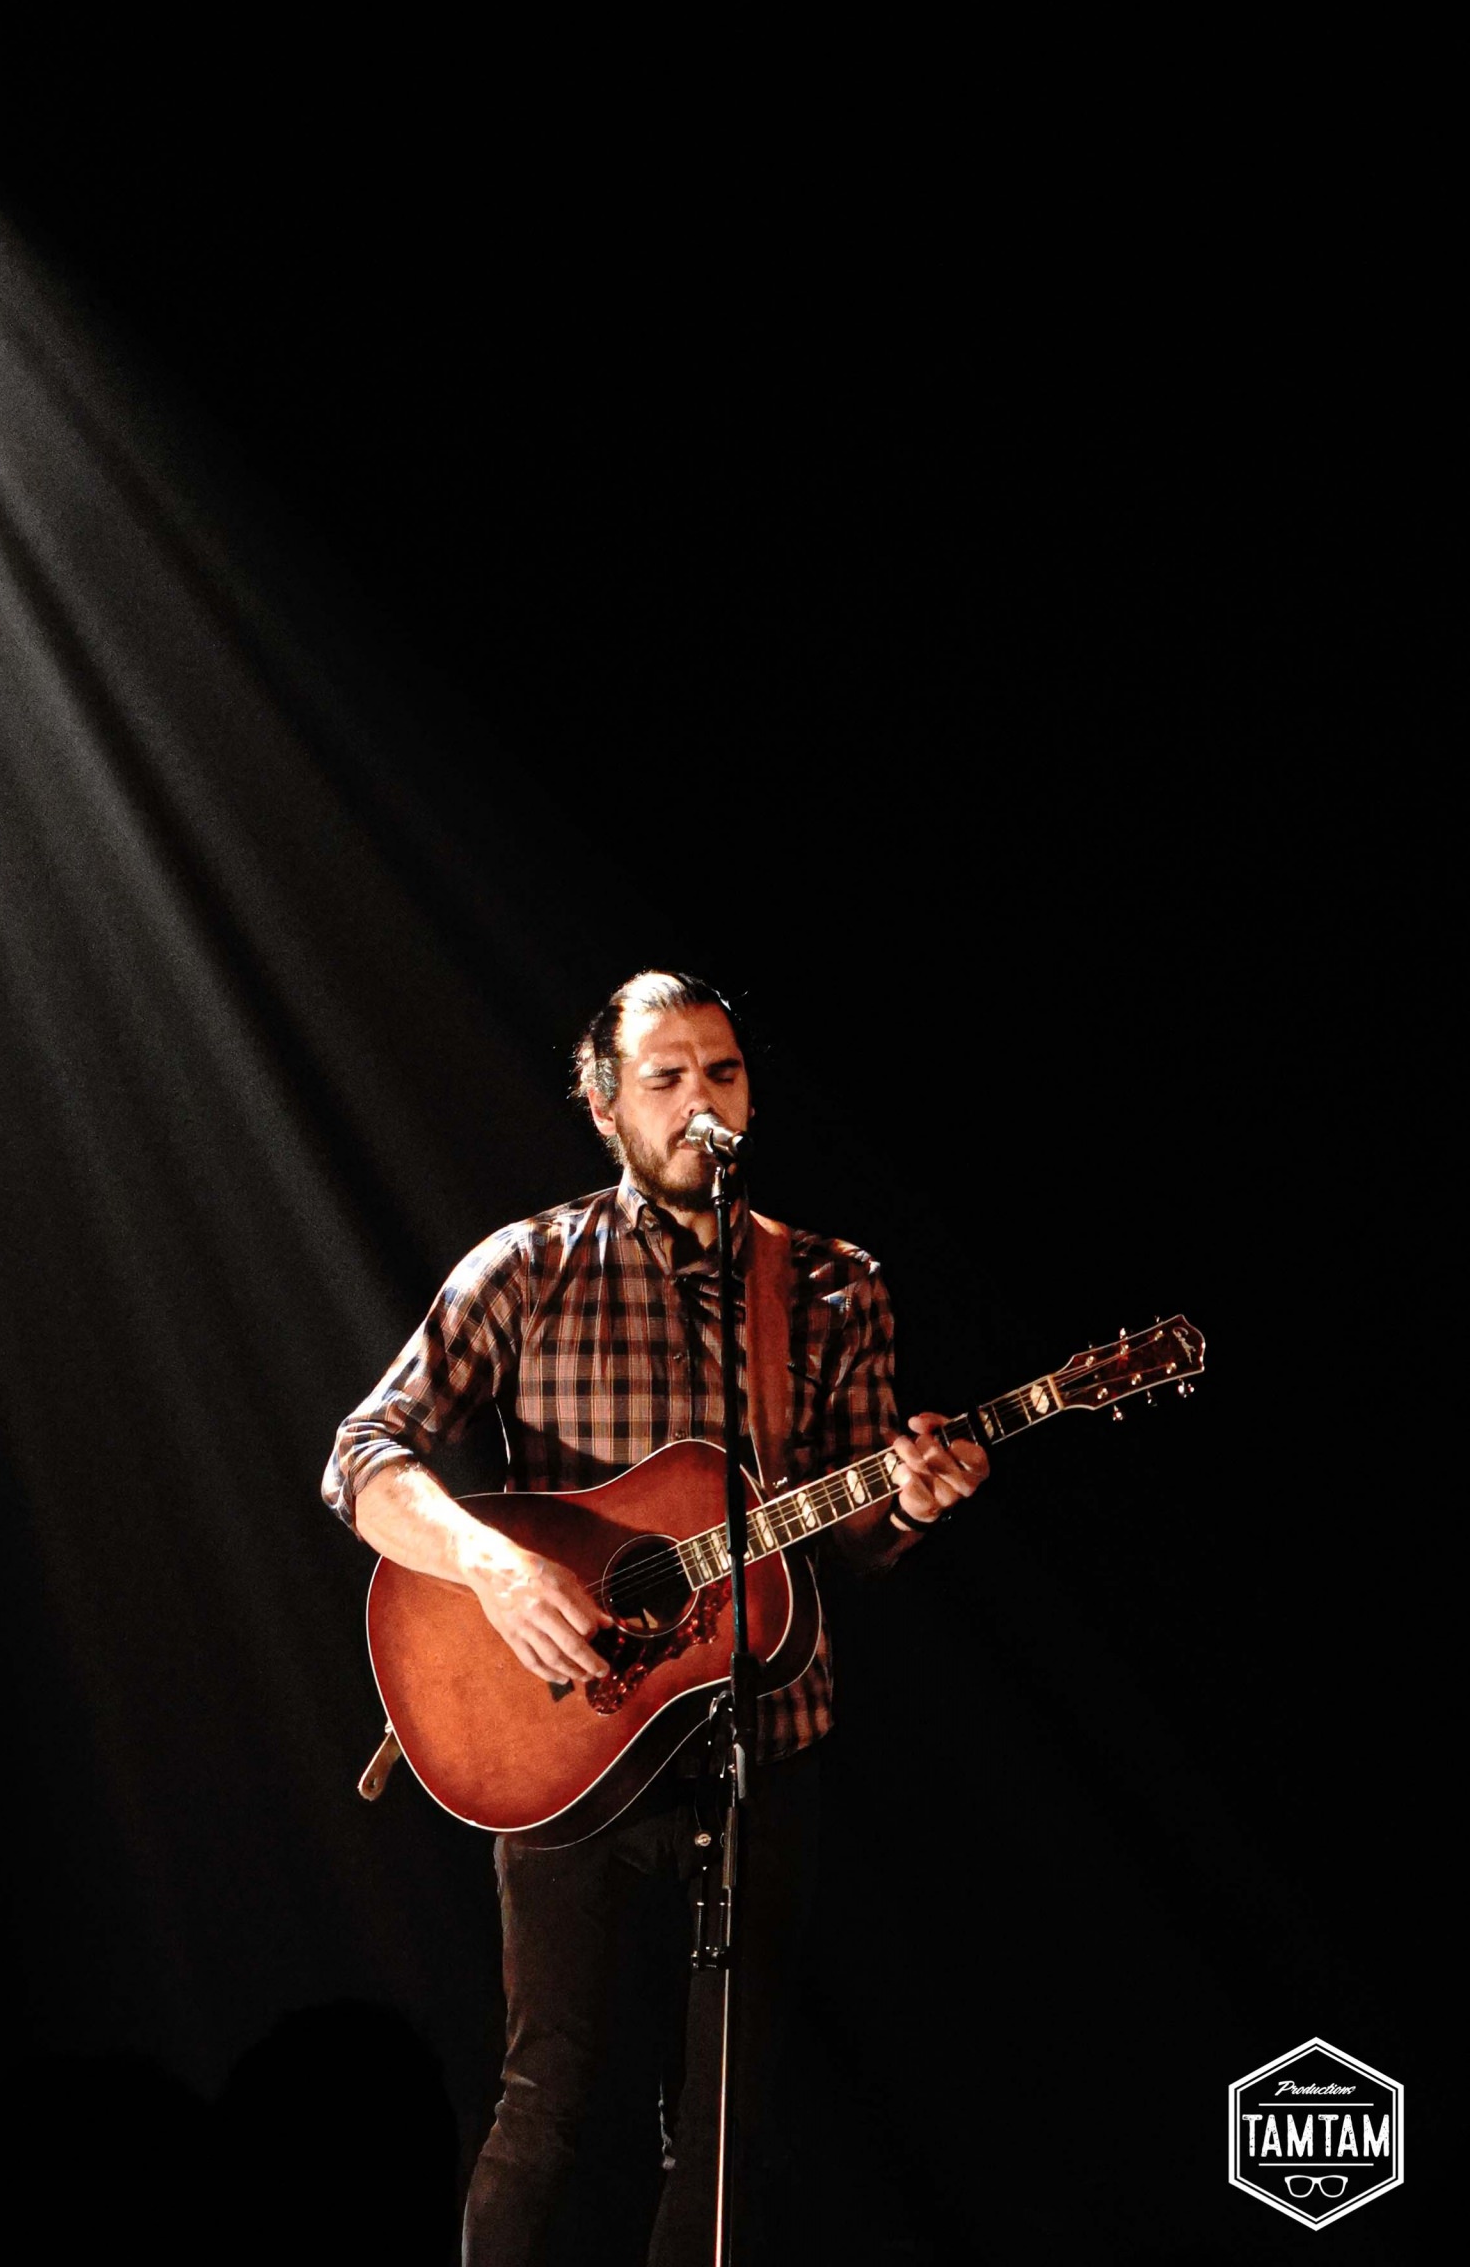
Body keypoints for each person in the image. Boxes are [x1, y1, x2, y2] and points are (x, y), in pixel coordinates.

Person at [321, 970, 988, 2265]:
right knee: (543, 2107)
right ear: (605, 1105)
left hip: (760, 1747)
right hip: (560, 1742)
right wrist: (495, 1568)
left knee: (728, 2134)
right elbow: (366, 1456)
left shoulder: (834, 1284)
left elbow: (844, 1542)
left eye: (722, 1074)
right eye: (666, 1078)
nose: (700, 1104)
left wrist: (910, 1504)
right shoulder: (529, 1268)